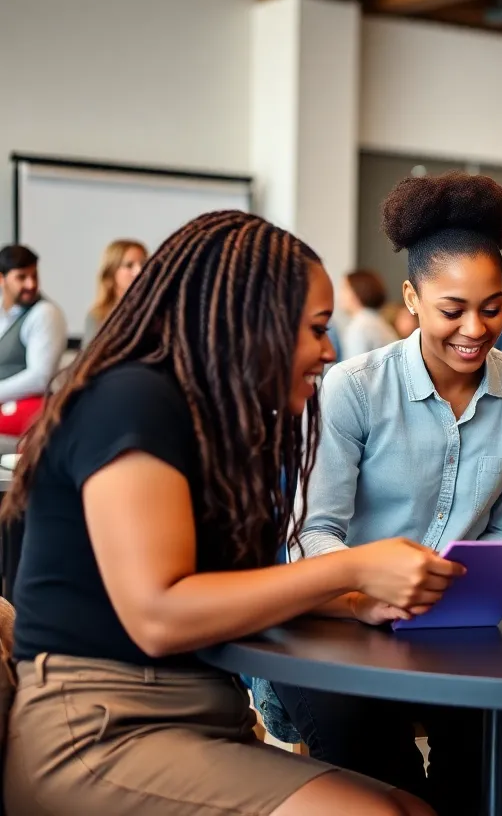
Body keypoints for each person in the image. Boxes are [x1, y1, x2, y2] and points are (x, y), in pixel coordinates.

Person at [3, 210, 453, 816]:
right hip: (98, 733)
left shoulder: (201, 420)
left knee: (413, 806)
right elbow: (159, 613)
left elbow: (221, 584)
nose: (326, 351)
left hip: (192, 717)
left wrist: (354, 602)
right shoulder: (131, 399)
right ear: (252, 323)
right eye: (316, 329)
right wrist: (351, 571)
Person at [266, 172, 502, 814]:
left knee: (480, 756)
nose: (475, 327)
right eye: (452, 309)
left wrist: (473, 578)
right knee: (384, 777)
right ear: (411, 297)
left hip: (458, 630)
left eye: (491, 307)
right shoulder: (353, 389)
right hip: (338, 624)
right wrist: (367, 591)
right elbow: (311, 531)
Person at [0, 245, 68, 437]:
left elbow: (40, 377)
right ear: (1, 279)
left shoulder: (44, 313)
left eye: (34, 276)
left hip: (26, 412)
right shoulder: (4, 312)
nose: (31, 284)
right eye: (21, 277)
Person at [83, 238, 147, 345]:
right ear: (111, 272)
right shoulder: (97, 315)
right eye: (129, 265)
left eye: (144, 264)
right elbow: (89, 358)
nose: (139, 271)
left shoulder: (158, 311)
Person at [339, 270, 399, 359]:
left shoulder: (360, 326)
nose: (340, 294)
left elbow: (355, 369)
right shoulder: (375, 321)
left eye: (344, 288)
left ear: (357, 292)